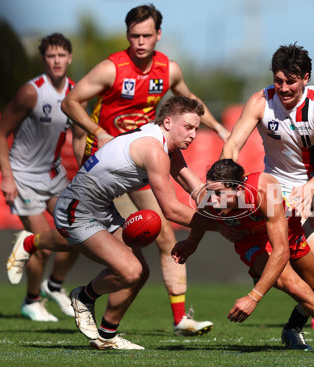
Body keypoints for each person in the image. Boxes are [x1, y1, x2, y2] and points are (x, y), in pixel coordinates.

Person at [61, 4, 228, 336]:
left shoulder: (169, 72)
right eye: (134, 35)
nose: (140, 42)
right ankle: (42, 250)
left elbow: (190, 106)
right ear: (127, 36)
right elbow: (70, 102)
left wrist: (221, 132)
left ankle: (173, 321)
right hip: (105, 171)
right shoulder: (113, 69)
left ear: (158, 36)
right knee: (136, 253)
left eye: (147, 35)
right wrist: (222, 226)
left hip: (135, 170)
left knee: (159, 238)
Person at [6, 96, 212, 349]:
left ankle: (106, 336)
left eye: (197, 129)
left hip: (101, 207)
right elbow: (170, 210)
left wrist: (228, 206)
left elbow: (196, 188)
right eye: (188, 127)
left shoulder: (165, 145)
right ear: (168, 122)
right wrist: (222, 225)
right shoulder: (154, 150)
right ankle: (84, 296)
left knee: (141, 272)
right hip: (77, 209)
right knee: (130, 271)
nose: (193, 134)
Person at [171, 159, 314, 354]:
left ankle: (291, 329)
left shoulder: (263, 191)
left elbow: (281, 251)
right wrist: (191, 242)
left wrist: (253, 297)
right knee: (300, 290)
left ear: (239, 189)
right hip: (252, 244)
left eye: (219, 194)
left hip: (288, 233)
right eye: (211, 193)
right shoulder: (211, 197)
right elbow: (201, 217)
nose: (213, 200)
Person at [221, 44, 314, 315]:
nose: (284, 88)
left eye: (291, 81)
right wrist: (231, 183)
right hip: (280, 186)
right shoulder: (260, 101)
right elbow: (231, 147)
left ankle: (294, 322)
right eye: (279, 81)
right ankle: (269, 272)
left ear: (306, 78)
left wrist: (312, 185)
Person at [0, 33, 83, 322]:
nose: (56, 61)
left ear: (69, 58)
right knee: (42, 243)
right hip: (24, 177)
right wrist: (7, 177)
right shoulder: (31, 92)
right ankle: (31, 301)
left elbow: (80, 137)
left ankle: (54, 286)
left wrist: (87, 174)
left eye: (61, 55)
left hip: (54, 176)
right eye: (51, 56)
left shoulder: (76, 93)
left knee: (81, 230)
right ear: (44, 59)